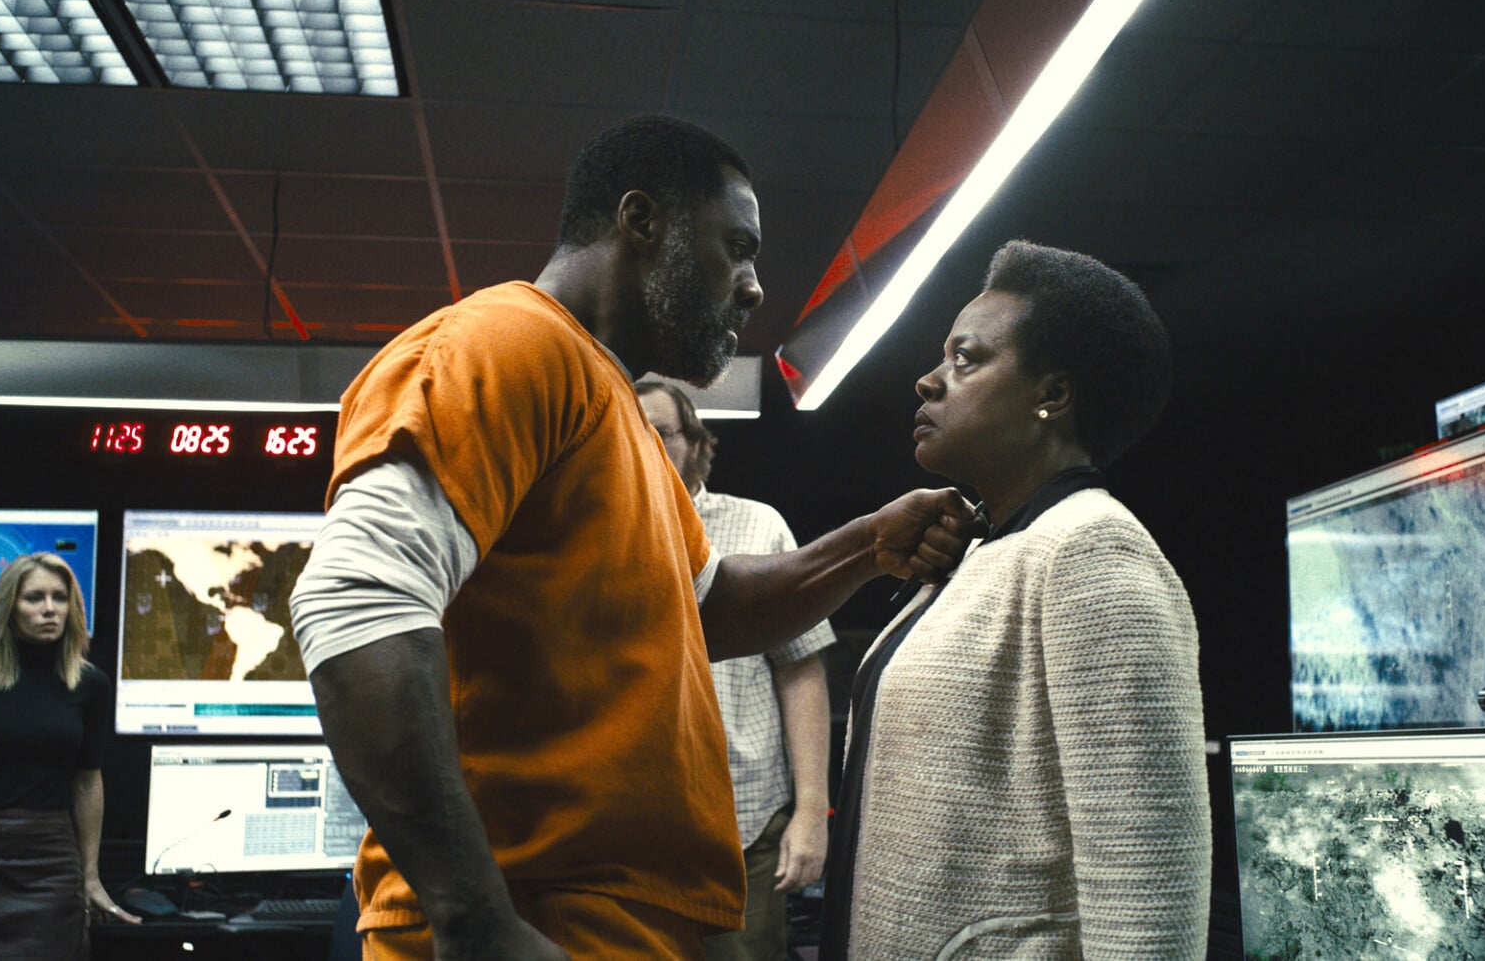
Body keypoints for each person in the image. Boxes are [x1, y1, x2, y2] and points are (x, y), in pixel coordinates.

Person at [288, 113, 980, 961]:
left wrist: (866, 546)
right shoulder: (506, 342)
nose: (755, 288)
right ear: (642, 220)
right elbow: (353, 603)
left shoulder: (614, 409)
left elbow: (710, 609)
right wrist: (475, 921)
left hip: (627, 919)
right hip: (535, 920)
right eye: (738, 248)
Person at [821, 240, 1211, 959]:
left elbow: (1146, 885)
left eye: (965, 359)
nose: (928, 381)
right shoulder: (985, 551)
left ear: (1052, 396)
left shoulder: (1093, 551)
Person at [637, 380, 833, 961]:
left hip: (743, 822)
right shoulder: (589, 528)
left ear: (697, 443)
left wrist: (810, 812)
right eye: (631, 431)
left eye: (662, 432)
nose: (646, 443)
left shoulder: (758, 526)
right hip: (626, 832)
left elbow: (801, 672)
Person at [0, 553, 138, 960]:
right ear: (9, 607)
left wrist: (91, 875)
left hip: (50, 859)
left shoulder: (91, 684)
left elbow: (87, 782)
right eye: (34, 597)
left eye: (59, 597)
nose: (50, 609)